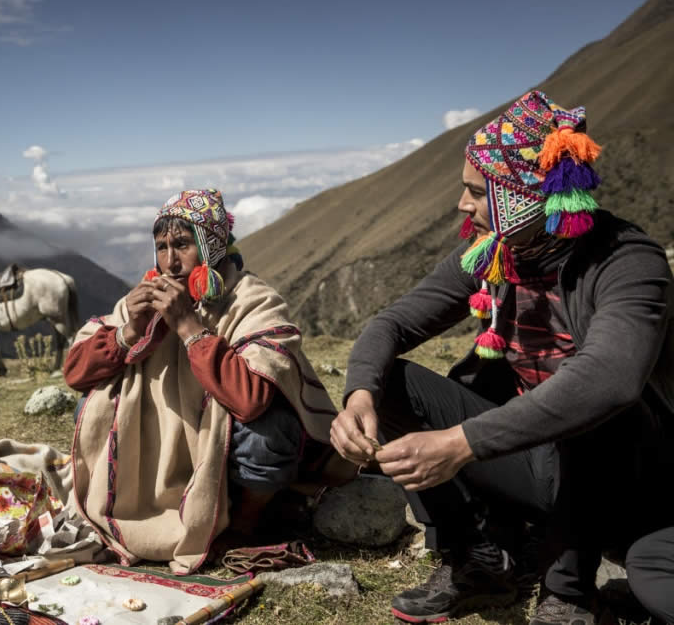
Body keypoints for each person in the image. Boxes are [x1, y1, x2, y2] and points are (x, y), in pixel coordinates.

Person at [330, 90, 674, 624]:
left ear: (522, 193)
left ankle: (569, 593)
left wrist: (459, 443)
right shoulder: (497, 253)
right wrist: (358, 396)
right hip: (534, 459)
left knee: (590, 403)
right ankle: (477, 561)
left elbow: (611, 377)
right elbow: (391, 324)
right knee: (391, 382)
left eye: (475, 191)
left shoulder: (627, 261)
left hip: (623, 476)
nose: (462, 206)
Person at [63, 188, 356, 574]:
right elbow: (76, 373)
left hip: (229, 453)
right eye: (162, 247)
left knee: (269, 433)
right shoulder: (142, 300)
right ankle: (155, 503)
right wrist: (129, 332)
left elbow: (250, 398)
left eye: (182, 245)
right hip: (169, 455)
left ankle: (247, 521)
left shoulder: (254, 301)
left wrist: (189, 327)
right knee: (95, 403)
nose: (170, 262)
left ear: (211, 246)